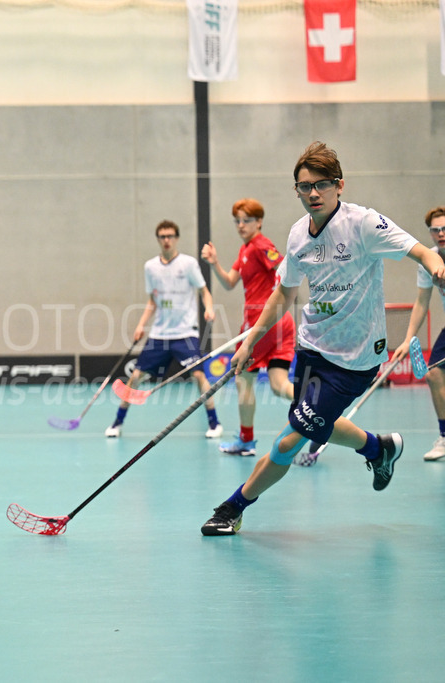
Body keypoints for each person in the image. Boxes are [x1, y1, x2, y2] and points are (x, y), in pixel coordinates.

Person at [201, 141, 445, 536]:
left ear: (339, 186)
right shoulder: (298, 235)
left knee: (288, 440)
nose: (313, 193)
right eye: (304, 186)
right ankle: (377, 448)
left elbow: (421, 251)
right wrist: (249, 344)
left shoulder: (364, 224)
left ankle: (233, 507)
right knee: (315, 422)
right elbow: (284, 293)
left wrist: (438, 268)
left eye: (322, 184)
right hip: (312, 348)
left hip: (355, 359)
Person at [106, 219, 222, 439]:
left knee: (199, 375)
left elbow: (204, 291)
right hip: (159, 334)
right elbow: (152, 302)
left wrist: (209, 309)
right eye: (162, 236)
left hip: (186, 332)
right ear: (158, 239)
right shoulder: (150, 267)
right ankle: (117, 423)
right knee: (136, 376)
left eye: (170, 236)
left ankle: (214, 423)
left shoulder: (188, 264)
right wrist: (141, 325)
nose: (166, 240)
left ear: (176, 238)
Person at [201, 199, 296, 456]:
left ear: (259, 222)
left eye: (246, 220)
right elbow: (230, 282)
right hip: (280, 323)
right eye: (237, 221)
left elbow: (284, 267)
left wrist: (277, 294)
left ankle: (246, 439)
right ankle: (314, 405)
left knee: (243, 378)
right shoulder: (245, 251)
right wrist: (214, 263)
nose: (241, 225)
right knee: (279, 385)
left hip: (262, 321)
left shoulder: (261, 245)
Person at [390, 205, 445, 461]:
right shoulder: (428, 261)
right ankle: (444, 437)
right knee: (434, 375)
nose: (441, 233)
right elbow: (422, 302)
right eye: (435, 230)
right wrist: (409, 338)